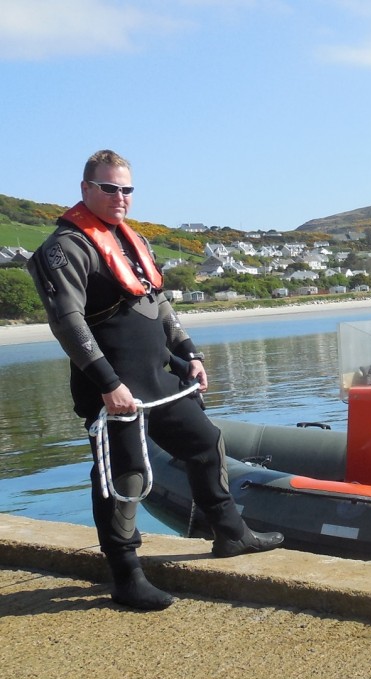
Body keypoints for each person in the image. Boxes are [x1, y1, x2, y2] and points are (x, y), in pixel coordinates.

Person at [27, 150, 284, 612]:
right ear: (86, 189)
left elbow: (160, 306)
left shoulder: (132, 239)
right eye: (110, 188)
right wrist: (107, 382)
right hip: (112, 387)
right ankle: (125, 575)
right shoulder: (63, 248)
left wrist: (189, 354)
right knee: (122, 476)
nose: (120, 197)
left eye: (127, 188)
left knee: (206, 442)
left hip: (157, 377)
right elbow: (68, 323)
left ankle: (231, 534)